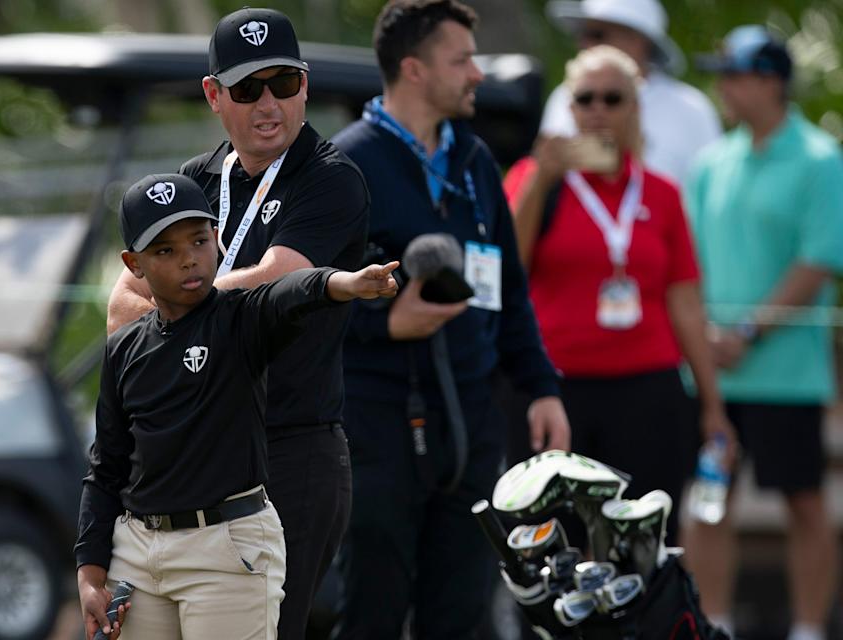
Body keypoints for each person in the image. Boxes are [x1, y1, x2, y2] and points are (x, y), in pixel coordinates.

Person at [105, 8, 369, 638]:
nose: (269, 103)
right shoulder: (196, 180)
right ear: (214, 95)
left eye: (285, 83)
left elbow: (279, 280)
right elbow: (119, 310)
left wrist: (172, 303)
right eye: (249, 89)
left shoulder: (331, 179)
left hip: (289, 449)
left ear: (304, 84)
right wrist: (207, 306)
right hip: (189, 457)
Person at [330, 1, 571, 637]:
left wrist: (542, 387)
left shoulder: (476, 162)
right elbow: (301, 302)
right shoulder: (342, 168)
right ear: (414, 69)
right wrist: (385, 324)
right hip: (376, 431)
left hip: (471, 430)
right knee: (371, 615)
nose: (477, 74)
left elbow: (510, 294)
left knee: (462, 621)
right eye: (461, 59)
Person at [76, 172, 397, 640]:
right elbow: (106, 468)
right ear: (134, 263)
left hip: (226, 549)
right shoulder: (123, 348)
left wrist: (344, 283)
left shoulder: (241, 317)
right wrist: (89, 573)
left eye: (199, 240)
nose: (189, 259)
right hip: (138, 554)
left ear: (218, 240)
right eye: (165, 250)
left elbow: (292, 291)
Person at [502, 45, 733, 546]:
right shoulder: (533, 178)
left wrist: (713, 405)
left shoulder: (662, 192)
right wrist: (542, 179)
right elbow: (507, 271)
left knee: (642, 546)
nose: (598, 110)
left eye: (614, 98)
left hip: (647, 392)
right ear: (570, 108)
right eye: (585, 99)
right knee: (550, 544)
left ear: (635, 108)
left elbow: (686, 303)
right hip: (554, 390)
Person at [684, 26, 843, 640]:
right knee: (708, 500)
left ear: (772, 82)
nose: (722, 85)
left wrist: (746, 330)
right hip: (714, 374)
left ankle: (807, 629)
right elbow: (688, 264)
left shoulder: (820, 159)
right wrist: (707, 337)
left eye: (735, 73)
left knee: (804, 503)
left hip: (788, 375)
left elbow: (819, 260)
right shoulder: (711, 162)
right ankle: (710, 624)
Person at [540, 0, 720, 185]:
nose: (584, 43)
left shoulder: (691, 109)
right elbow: (549, 171)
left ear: (636, 40)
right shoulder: (564, 96)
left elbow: (713, 188)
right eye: (582, 34)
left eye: (596, 35)